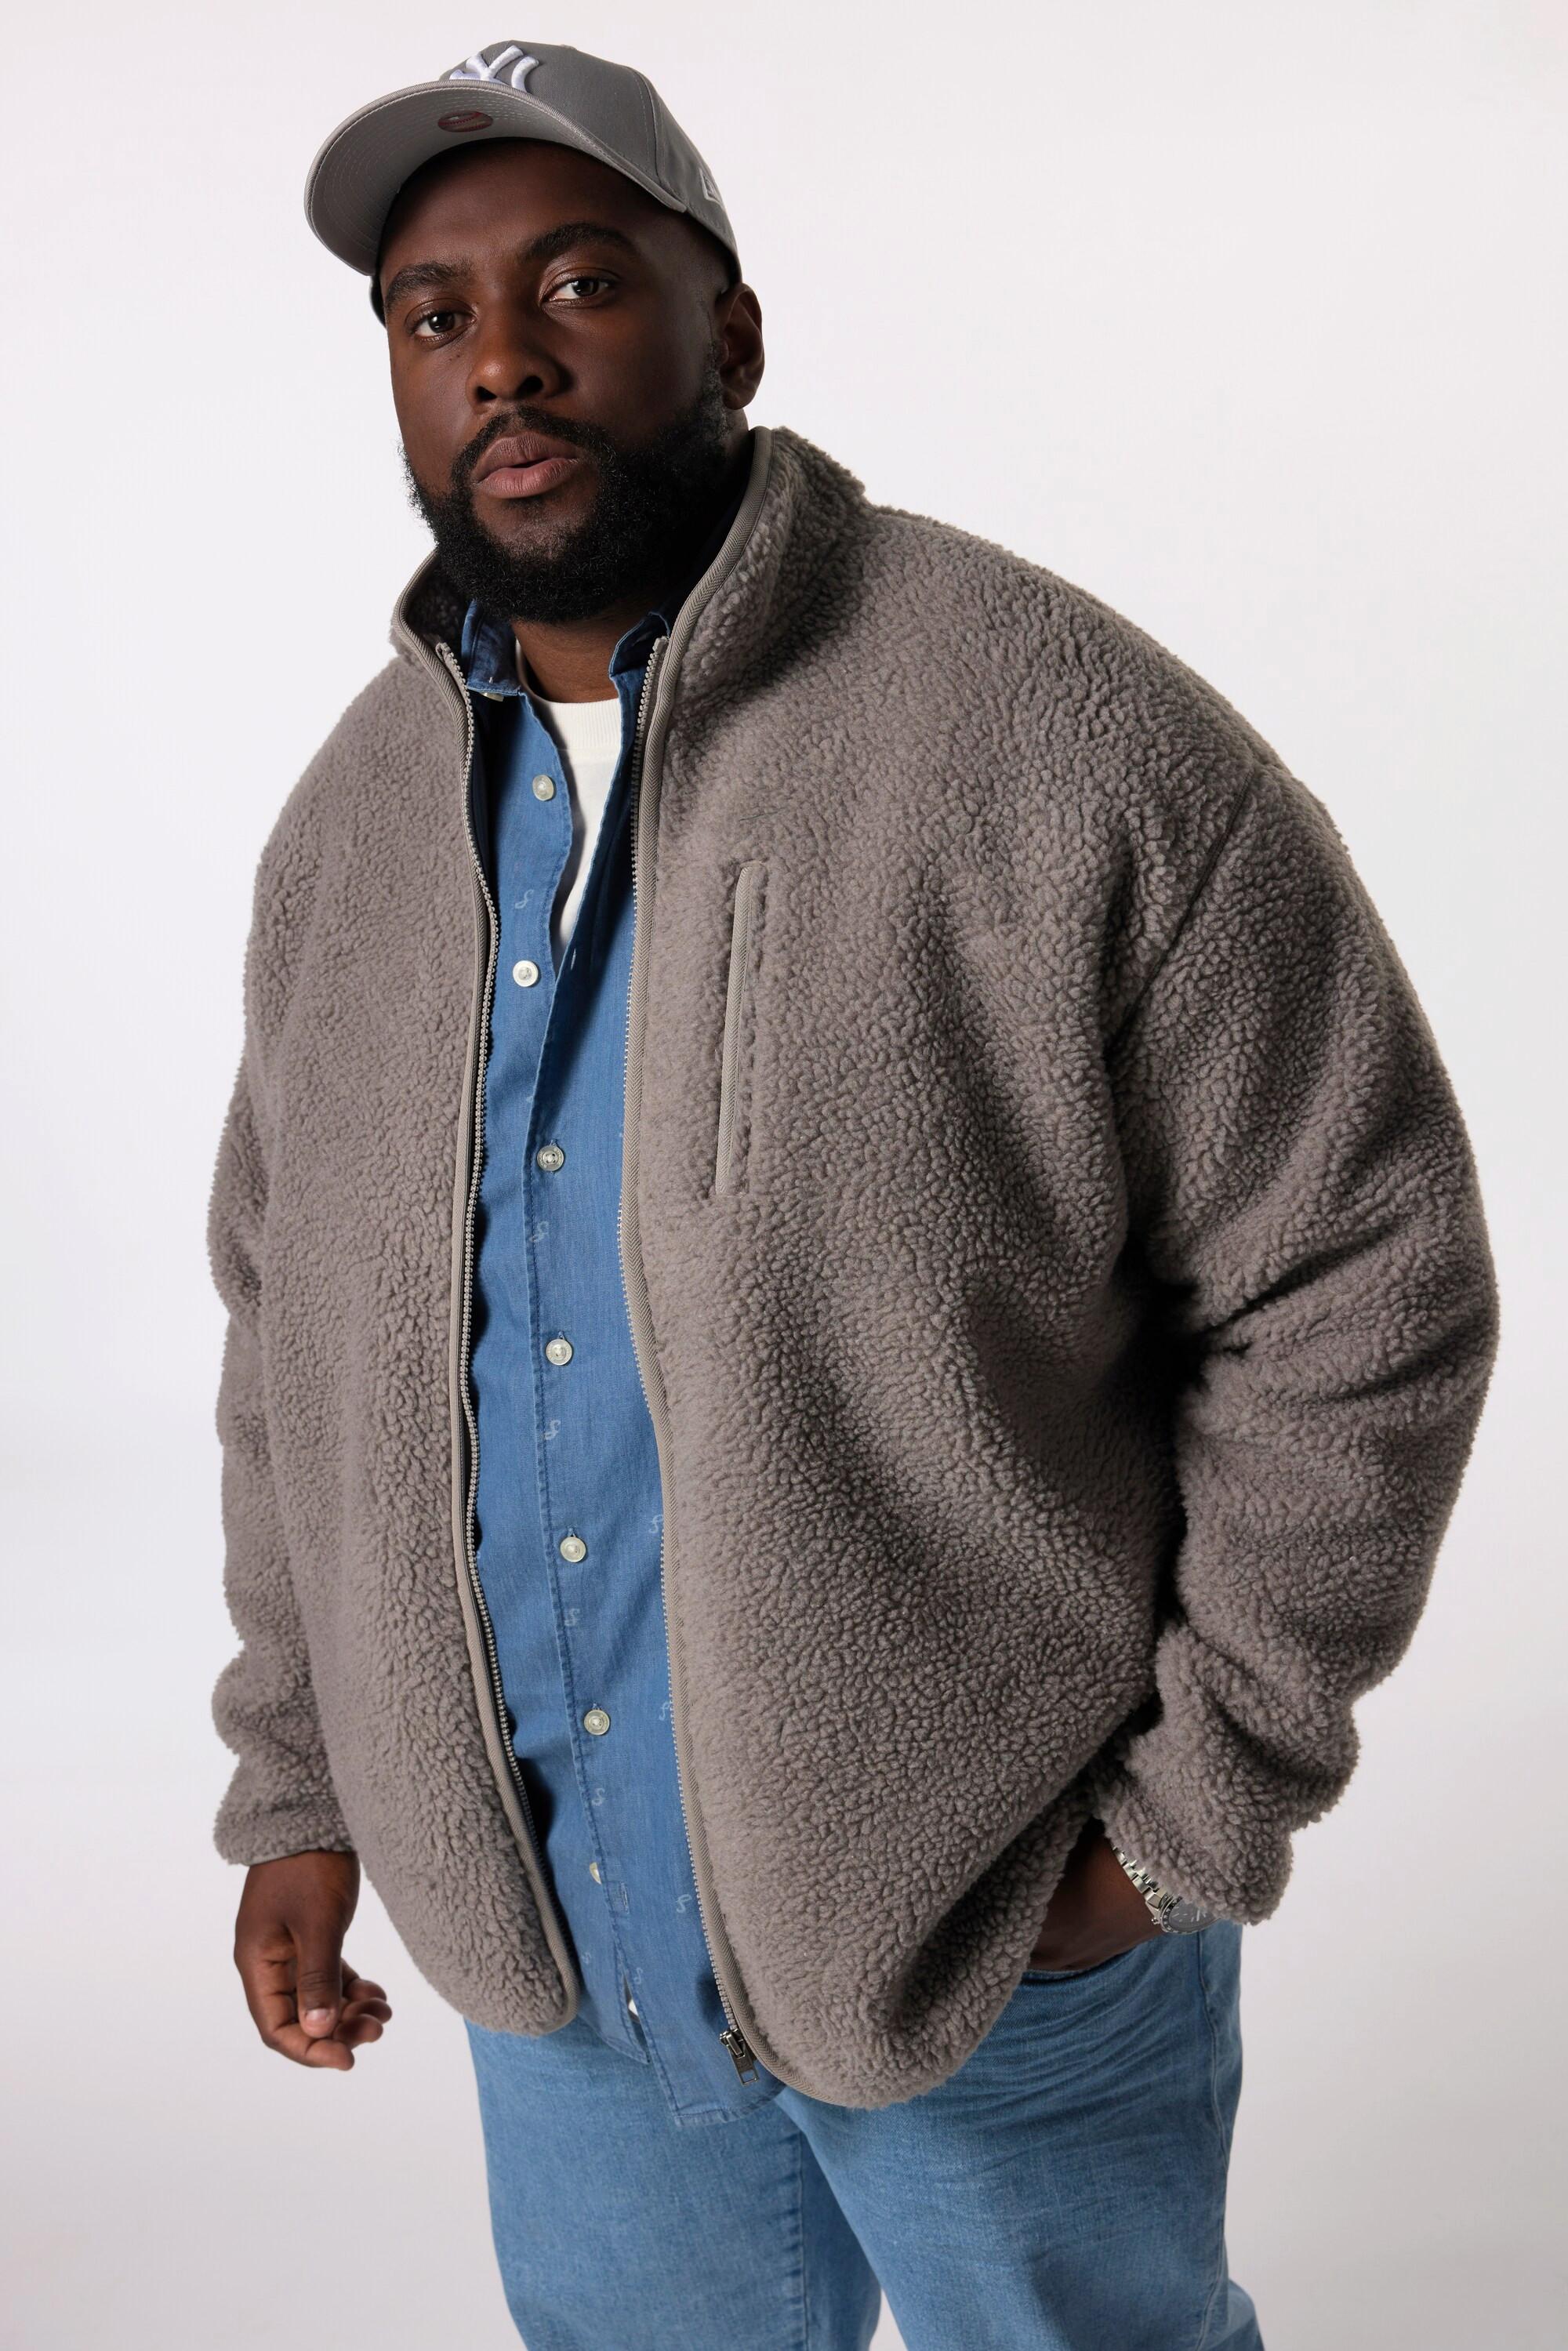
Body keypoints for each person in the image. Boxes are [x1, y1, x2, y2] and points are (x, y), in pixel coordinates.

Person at [209, 38, 1499, 2351]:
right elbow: (285, 1338)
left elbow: (1361, 1278)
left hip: (993, 1934)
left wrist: (1182, 1821)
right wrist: (304, 1783)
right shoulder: (354, 825)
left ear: (733, 329)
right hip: (564, 1967)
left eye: (580, 281)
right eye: (432, 313)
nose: (503, 357)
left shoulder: (1057, 733)